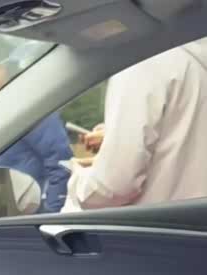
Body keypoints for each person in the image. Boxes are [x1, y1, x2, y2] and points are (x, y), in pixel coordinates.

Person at [63, 38, 207, 211]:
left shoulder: (142, 63)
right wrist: (113, 136)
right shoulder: (193, 60)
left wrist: (77, 179)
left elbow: (113, 186)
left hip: (157, 223)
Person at [0, 64, 72, 213]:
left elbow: (61, 160)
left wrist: (51, 212)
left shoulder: (28, 106)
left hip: (30, 213)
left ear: (2, 69)